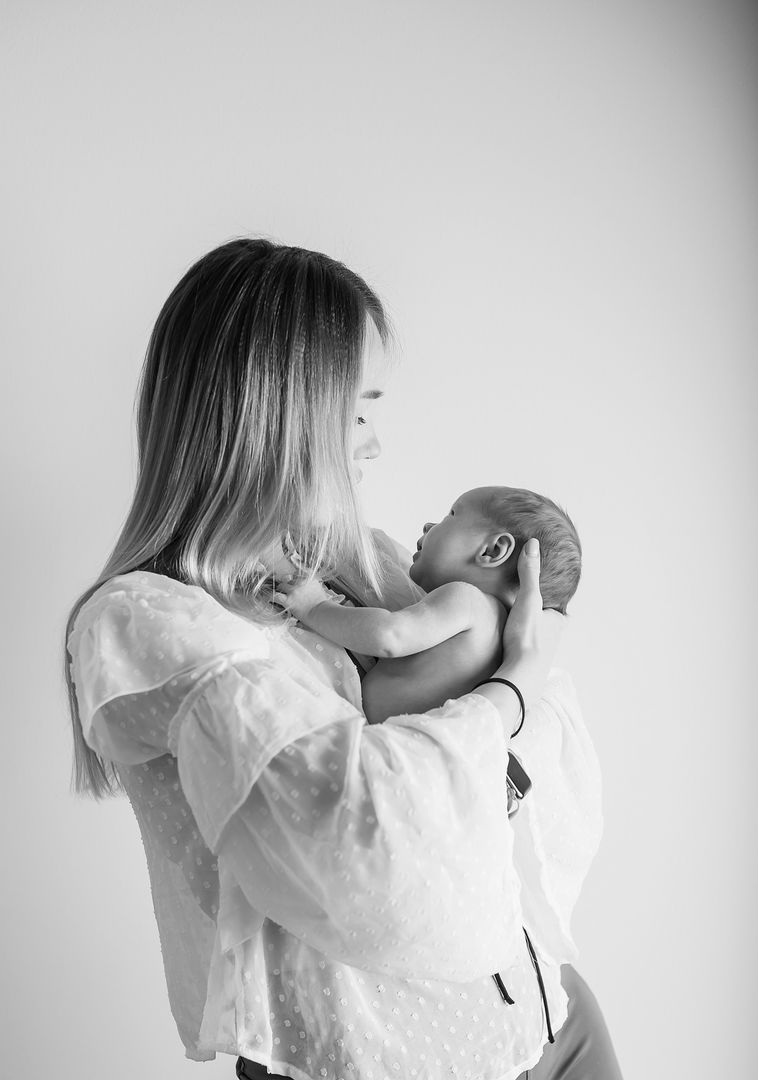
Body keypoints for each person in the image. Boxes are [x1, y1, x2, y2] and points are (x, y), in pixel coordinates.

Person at [64, 238, 623, 1079]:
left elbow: (544, 761)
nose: (373, 445)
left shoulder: (362, 559)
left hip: (552, 1017)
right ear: (282, 413)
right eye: (357, 409)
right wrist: (509, 695)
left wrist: (493, 726)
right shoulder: (151, 621)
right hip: (380, 1061)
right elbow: (368, 838)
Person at [270, 485, 582, 726]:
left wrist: (314, 607)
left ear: (492, 550)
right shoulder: (502, 638)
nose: (429, 525)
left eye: (451, 515)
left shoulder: (468, 601)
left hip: (394, 737)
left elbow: (389, 636)